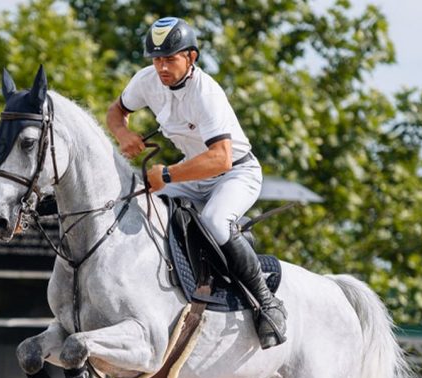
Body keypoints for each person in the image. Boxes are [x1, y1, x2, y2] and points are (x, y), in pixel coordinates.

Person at [105, 16, 286, 348]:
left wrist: (169, 175)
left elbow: (221, 158)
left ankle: (267, 302)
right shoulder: (146, 81)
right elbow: (116, 111)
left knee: (215, 221)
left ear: (191, 57)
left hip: (235, 174)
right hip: (194, 176)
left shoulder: (206, 92)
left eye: (170, 58)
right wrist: (123, 134)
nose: (162, 66)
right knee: (137, 202)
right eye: (157, 59)